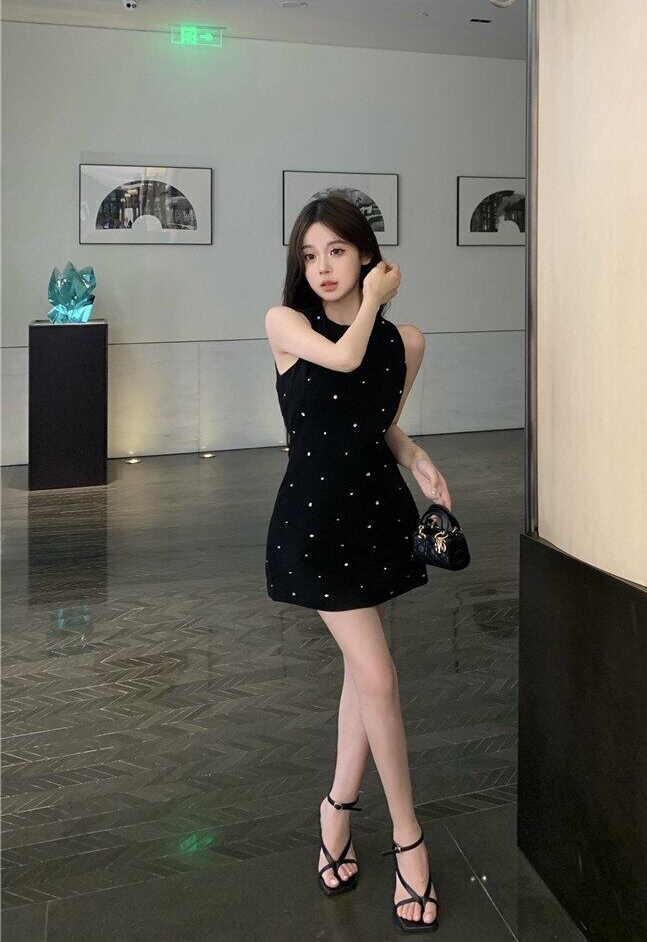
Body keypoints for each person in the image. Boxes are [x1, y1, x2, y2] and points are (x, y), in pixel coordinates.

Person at [264, 194, 452, 932]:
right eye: (309, 255)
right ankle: (409, 839)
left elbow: (378, 423)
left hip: (375, 517)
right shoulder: (286, 324)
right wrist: (374, 298)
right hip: (313, 524)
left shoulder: (407, 342)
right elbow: (343, 358)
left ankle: (337, 808)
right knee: (379, 677)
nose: (322, 268)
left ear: (366, 253)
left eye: (337, 251)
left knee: (361, 675)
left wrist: (417, 456)